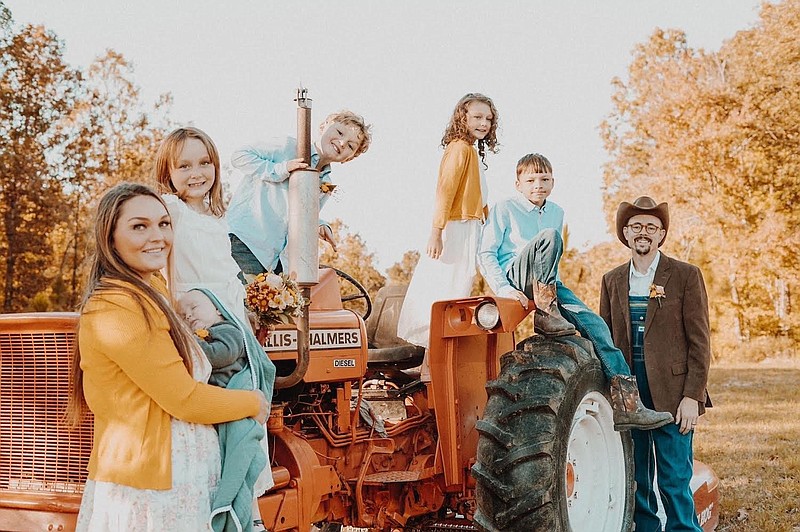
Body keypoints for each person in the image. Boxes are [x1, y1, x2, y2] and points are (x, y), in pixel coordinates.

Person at [65, 182, 268, 531]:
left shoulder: (151, 289)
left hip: (179, 474)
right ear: (109, 237)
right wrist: (252, 402)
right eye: (139, 226)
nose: (157, 236)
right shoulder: (118, 307)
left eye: (163, 223)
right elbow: (183, 398)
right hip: (150, 487)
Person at [477, 153, 673, 431]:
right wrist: (505, 289)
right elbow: (486, 253)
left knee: (598, 327)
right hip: (517, 276)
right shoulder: (504, 208)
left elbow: (551, 261)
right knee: (549, 238)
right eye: (531, 180)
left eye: (544, 179)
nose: (538, 185)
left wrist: (557, 292)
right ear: (518, 183)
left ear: (553, 182)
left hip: (550, 284)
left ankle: (629, 406)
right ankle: (546, 313)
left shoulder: (556, 212)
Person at [600, 196, 711, 531]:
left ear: (661, 234)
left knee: (674, 478)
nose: (643, 232)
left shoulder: (685, 275)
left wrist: (693, 396)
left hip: (674, 393)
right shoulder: (612, 279)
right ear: (626, 233)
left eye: (651, 226)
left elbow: (700, 342)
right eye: (636, 227)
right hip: (629, 392)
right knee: (637, 480)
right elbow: (605, 339)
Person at [396, 93, 499, 380]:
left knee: (457, 290)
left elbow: (481, 198)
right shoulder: (459, 148)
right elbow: (445, 191)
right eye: (477, 117)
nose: (484, 123)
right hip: (455, 227)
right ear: (462, 117)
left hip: (470, 226)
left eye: (488, 118)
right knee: (445, 291)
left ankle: (434, 364)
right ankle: (431, 366)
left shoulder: (472, 151)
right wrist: (436, 231)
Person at [227, 110, 372, 278]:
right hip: (246, 241)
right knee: (237, 301)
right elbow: (239, 156)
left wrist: (319, 224)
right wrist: (282, 169)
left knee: (258, 302)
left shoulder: (326, 183)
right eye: (339, 132)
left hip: (274, 261)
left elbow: (300, 214)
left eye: (350, 146)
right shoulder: (287, 147)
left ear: (350, 158)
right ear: (323, 126)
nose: (341, 142)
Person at [178, 289, 276, 532]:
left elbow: (219, 356)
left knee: (239, 450)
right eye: (182, 314)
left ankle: (236, 509)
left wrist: (186, 342)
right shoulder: (204, 335)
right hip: (219, 401)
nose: (188, 315)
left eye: (194, 307)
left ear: (219, 310)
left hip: (235, 397)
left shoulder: (228, 332)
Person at [153, 126, 249, 326]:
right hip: (196, 311)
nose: (196, 173)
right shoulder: (171, 209)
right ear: (167, 173)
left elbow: (223, 269)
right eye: (184, 166)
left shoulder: (216, 215)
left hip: (231, 307)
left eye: (204, 163)